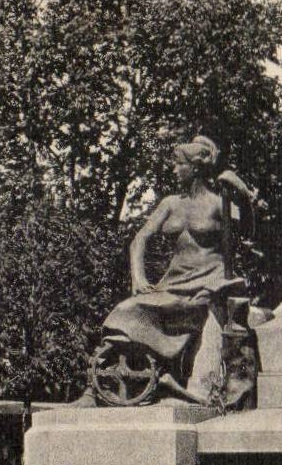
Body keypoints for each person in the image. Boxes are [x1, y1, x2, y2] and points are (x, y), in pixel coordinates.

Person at [94, 137, 257, 405]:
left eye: (178, 164)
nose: (173, 170)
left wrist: (243, 195)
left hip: (210, 280)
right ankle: (110, 384)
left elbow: (248, 230)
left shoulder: (219, 203)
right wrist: (139, 276)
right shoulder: (170, 204)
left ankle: (197, 388)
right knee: (127, 309)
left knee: (211, 312)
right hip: (172, 283)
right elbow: (140, 239)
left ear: (194, 167)